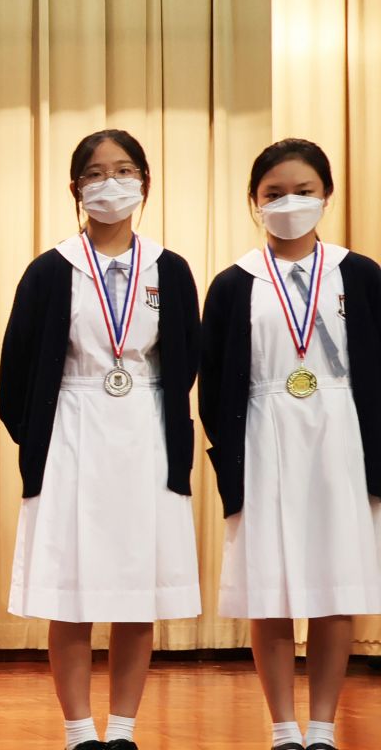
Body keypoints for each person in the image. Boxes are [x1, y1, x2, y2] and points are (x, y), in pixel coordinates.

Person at [0, 130, 201, 750]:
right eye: (95, 173)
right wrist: (44, 440)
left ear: (144, 182)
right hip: (72, 435)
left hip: (147, 433)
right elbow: (16, 374)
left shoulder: (170, 269)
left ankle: (123, 730)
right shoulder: (50, 270)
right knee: (73, 594)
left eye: (124, 171)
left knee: (138, 594)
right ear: (75, 188)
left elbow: (187, 361)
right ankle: (80, 730)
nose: (110, 183)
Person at [200, 139, 381, 750]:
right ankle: (282, 727)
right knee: (269, 588)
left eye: (303, 191)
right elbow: (213, 381)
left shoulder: (359, 274)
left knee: (336, 586)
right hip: (264, 436)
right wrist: (230, 454)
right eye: (273, 193)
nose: (289, 203)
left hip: (341, 439)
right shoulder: (234, 283)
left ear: (327, 195)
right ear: (254, 201)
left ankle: (323, 726)